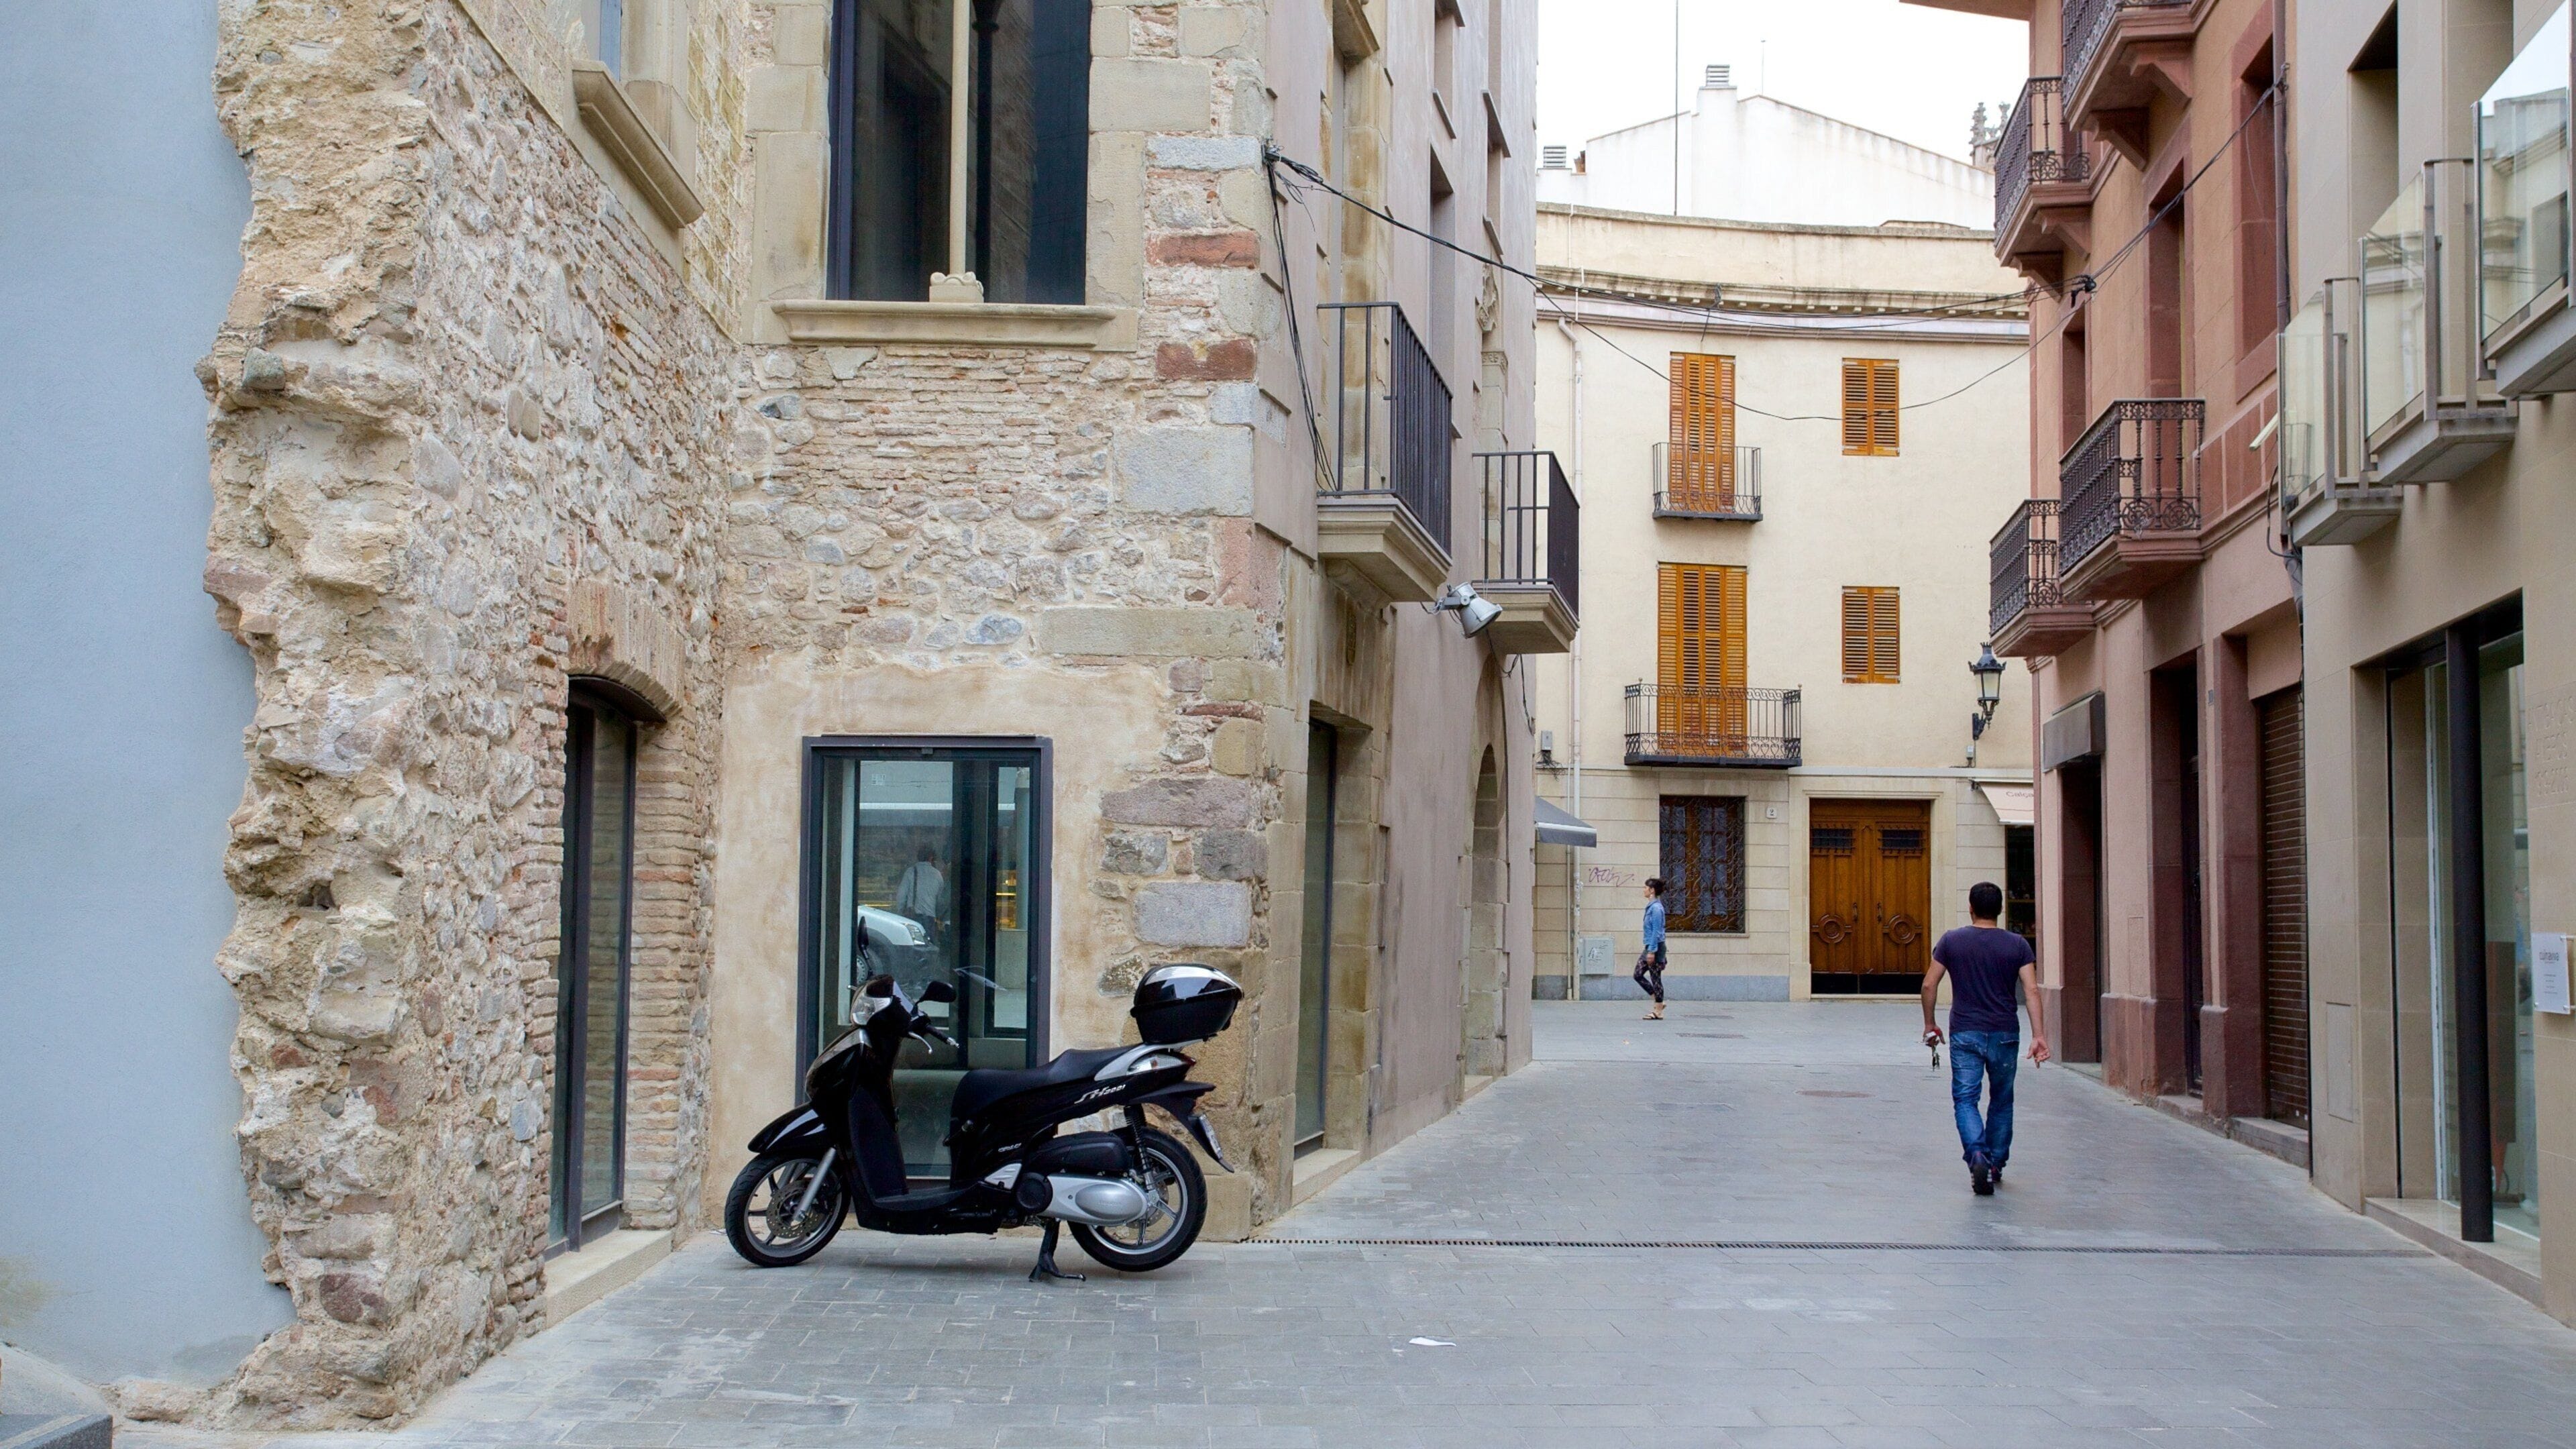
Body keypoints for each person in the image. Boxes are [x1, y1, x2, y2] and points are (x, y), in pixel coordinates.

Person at [1920, 881, 2048, 1196]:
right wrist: (2039, 1035)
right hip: (2005, 1032)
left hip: (1965, 1031)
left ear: (1971, 908)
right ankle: (1995, 1164)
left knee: (1966, 1098)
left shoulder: (1951, 941)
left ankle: (1977, 1153)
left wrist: (1930, 1024)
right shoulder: (2018, 944)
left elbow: (1929, 985)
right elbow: (2031, 990)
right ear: (2001, 909)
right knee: (2002, 1099)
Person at [1635, 877, 1668, 1020]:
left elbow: (1657, 931)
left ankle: (1658, 1011)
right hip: (1650, 945)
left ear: (1652, 890)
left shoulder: (1656, 909)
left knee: (1655, 977)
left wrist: (1652, 951)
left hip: (1655, 947)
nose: (1644, 890)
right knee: (1638, 974)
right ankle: (1659, 1002)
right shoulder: (1652, 906)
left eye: (1646, 888)